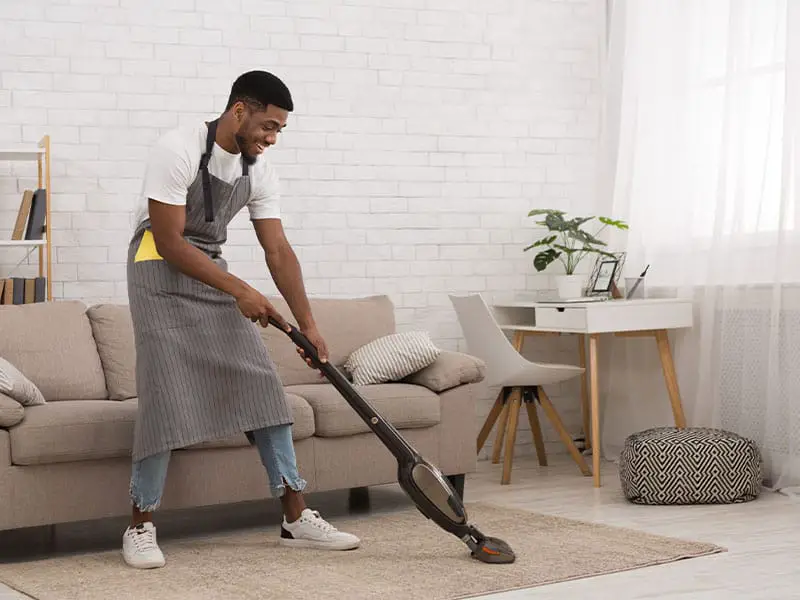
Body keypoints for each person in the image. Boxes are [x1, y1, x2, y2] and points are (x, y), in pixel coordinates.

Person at [122, 70, 360, 569]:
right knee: (166, 394)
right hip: (156, 271)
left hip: (211, 270)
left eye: (279, 131)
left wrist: (310, 325)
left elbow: (277, 249)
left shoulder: (258, 170)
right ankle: (140, 525)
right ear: (238, 111)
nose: (271, 139)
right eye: (268, 126)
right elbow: (167, 241)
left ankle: (295, 516)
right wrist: (242, 291)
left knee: (263, 388)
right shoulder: (178, 148)